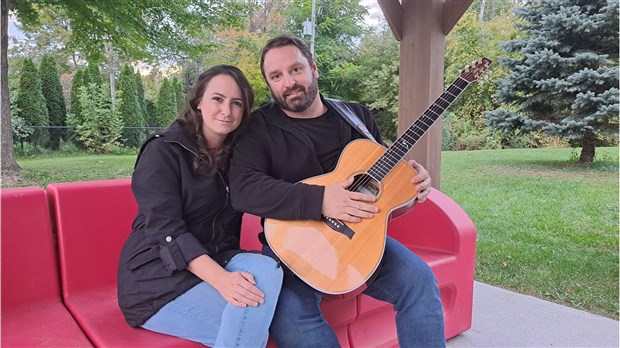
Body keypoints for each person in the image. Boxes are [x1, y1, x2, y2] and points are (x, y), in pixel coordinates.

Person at [229, 35, 445, 347]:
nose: (288, 82)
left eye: (296, 70)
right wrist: (321, 200)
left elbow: (382, 183)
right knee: (291, 315)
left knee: (419, 280)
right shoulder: (257, 127)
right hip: (292, 248)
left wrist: (413, 183)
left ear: (313, 68)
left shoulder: (357, 117)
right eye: (276, 76)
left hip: (357, 242)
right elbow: (244, 190)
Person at [117, 65, 283, 348]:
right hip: (156, 279)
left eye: (236, 103)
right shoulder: (163, 151)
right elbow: (165, 230)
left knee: (267, 268)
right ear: (198, 102)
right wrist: (222, 280)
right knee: (250, 323)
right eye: (217, 99)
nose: (226, 111)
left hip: (218, 257)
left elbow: (279, 185)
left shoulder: (240, 156)